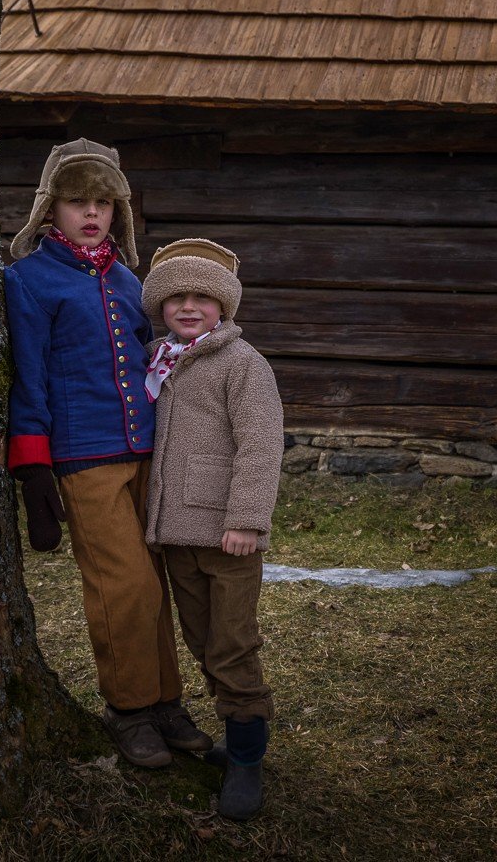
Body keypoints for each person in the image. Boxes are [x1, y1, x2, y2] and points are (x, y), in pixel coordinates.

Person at [3, 139, 211, 768]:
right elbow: (28, 377)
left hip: (147, 450)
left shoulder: (127, 279)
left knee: (156, 584)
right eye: (77, 201)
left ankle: (165, 701)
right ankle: (128, 708)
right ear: (50, 209)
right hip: (83, 457)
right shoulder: (28, 280)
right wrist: (33, 469)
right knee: (124, 586)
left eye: (103, 202)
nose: (91, 213)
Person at [141, 239, 284, 821]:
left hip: (228, 537)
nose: (188, 306)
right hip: (176, 533)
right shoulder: (157, 359)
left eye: (202, 297)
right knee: (201, 640)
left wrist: (246, 520)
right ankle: (237, 734)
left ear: (223, 305)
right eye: (176, 297)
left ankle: (247, 759)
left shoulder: (241, 363)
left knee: (232, 644)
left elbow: (260, 444)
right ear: (160, 305)